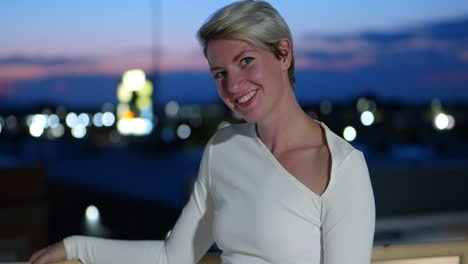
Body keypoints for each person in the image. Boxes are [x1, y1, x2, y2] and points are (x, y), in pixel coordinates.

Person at [30, 1, 375, 263]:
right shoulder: (223, 149)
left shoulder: (341, 167)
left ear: (283, 53)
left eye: (245, 61)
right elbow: (173, 257)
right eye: (219, 73)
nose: (233, 85)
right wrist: (74, 247)